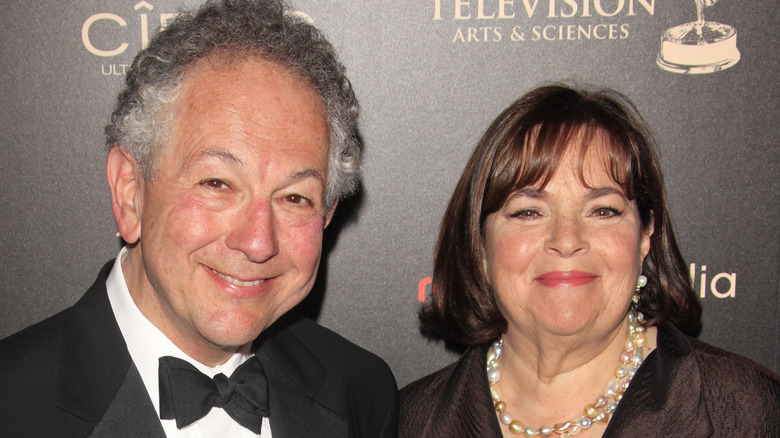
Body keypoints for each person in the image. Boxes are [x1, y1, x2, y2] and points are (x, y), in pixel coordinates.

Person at [0, 1, 397, 437]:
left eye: (295, 197)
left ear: (328, 214)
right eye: (217, 184)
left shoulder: (361, 390)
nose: (258, 242)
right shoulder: (11, 404)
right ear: (130, 192)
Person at [399, 84, 780, 437]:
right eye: (529, 212)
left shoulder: (745, 408)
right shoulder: (408, 420)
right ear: (480, 242)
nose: (566, 241)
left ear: (646, 234)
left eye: (602, 211)